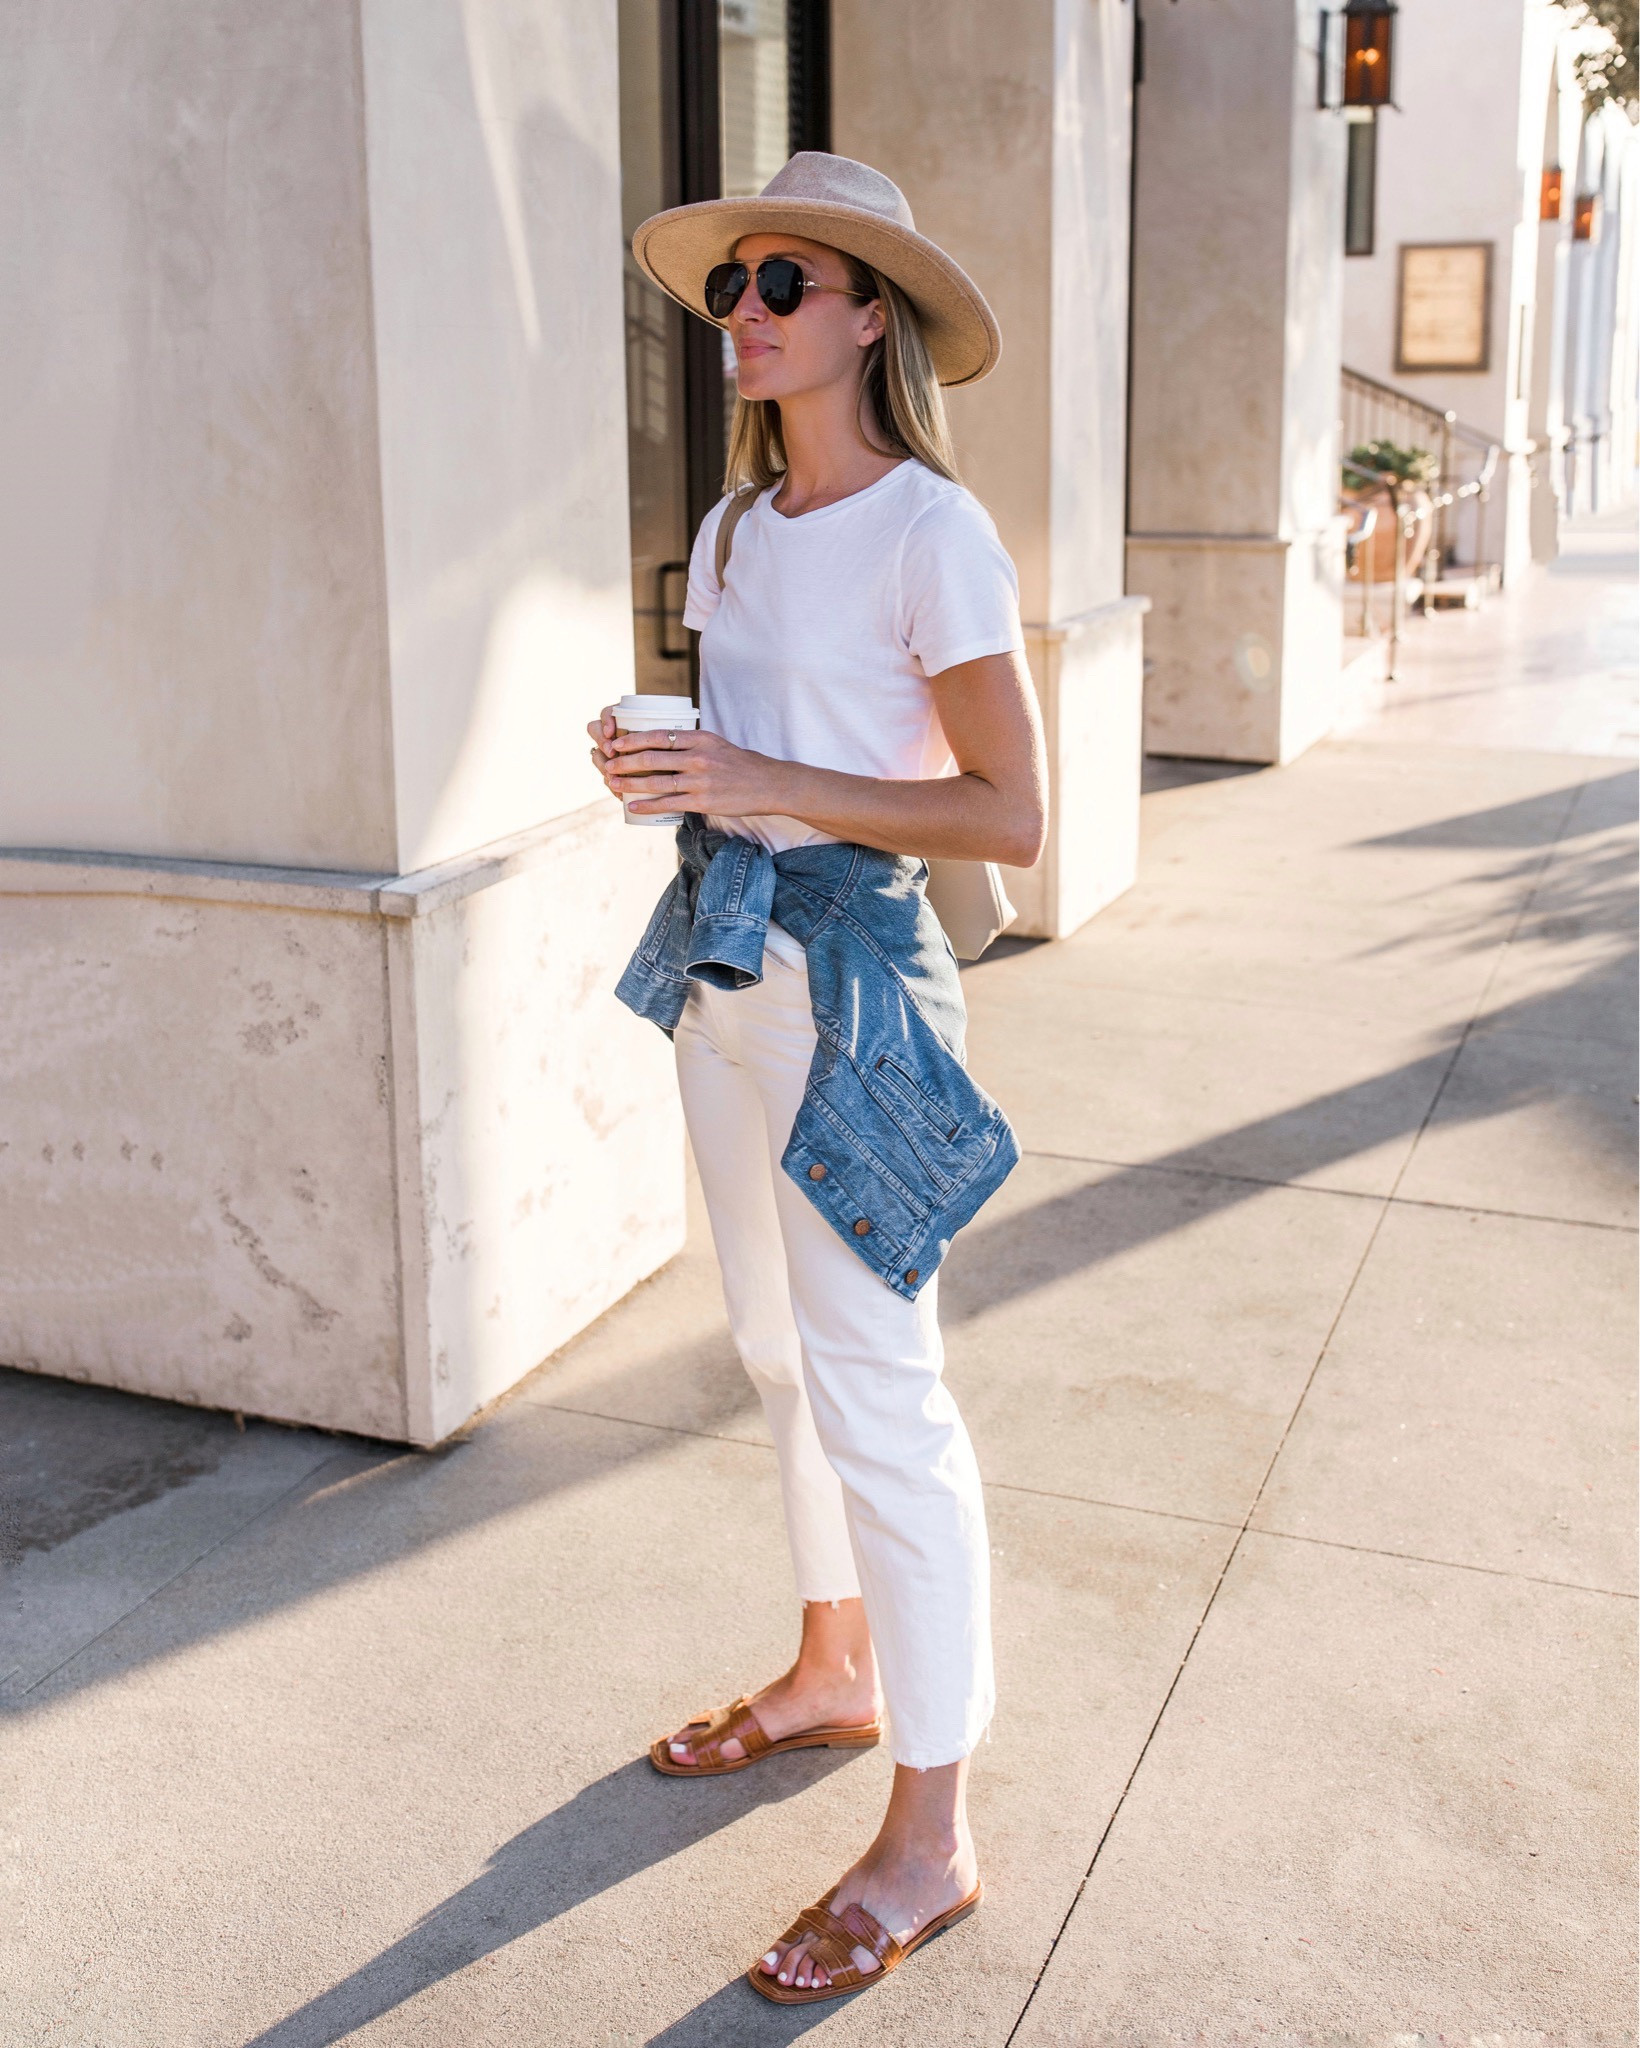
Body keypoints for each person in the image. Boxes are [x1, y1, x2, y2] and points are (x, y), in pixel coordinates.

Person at [590, 152, 1046, 2006]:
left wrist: (763, 791)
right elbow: (758, 749)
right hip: (728, 964)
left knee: (884, 1395)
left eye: (787, 281)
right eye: (732, 290)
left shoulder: (937, 533)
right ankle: (834, 1667)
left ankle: (932, 1833)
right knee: (776, 1353)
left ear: (874, 313)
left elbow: (1007, 810)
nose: (750, 313)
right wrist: (674, 770)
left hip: (858, 981)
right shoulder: (731, 529)